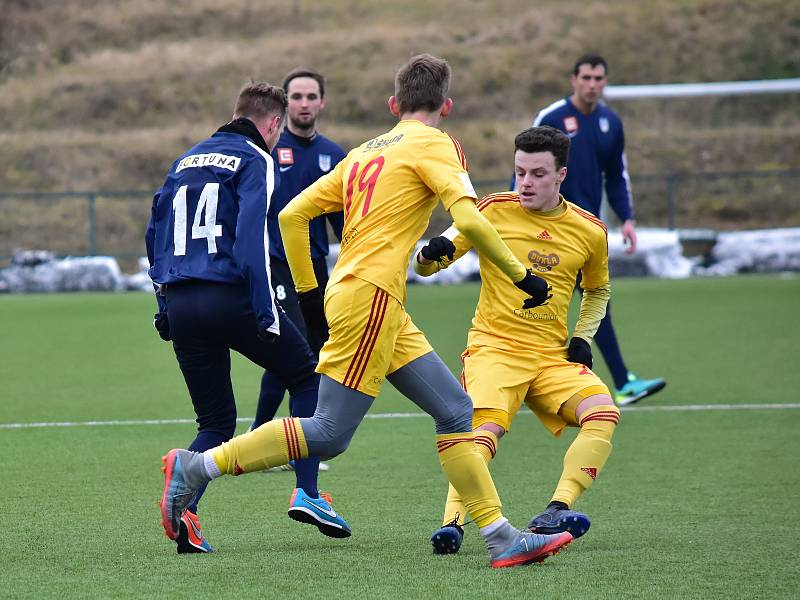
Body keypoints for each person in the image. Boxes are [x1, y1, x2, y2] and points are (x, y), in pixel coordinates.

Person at [159, 54, 573, 569]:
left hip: (371, 298)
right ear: (446, 105)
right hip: (373, 296)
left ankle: (500, 535)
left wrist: (313, 297)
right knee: (329, 433)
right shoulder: (438, 143)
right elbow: (468, 215)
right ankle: (198, 467)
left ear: (394, 104)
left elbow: (293, 215)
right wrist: (523, 276)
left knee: (455, 411)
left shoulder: (362, 152)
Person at [146, 81, 351, 554]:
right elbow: (252, 239)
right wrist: (266, 309)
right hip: (230, 296)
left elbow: (153, 230)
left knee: (216, 422)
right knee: (306, 378)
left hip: (182, 302)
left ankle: (187, 520)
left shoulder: (186, 159)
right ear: (274, 123)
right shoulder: (254, 158)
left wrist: (163, 305)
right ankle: (309, 492)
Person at [416, 125, 620, 554]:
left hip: (551, 358)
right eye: (520, 171)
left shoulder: (589, 231)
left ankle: (556, 509)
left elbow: (598, 290)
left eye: (538, 174)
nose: (525, 182)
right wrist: (430, 254)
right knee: (482, 434)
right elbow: (430, 264)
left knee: (602, 412)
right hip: (495, 349)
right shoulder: (492, 210)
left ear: (561, 175)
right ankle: (452, 524)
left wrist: (583, 336)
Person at [516, 53, 666, 406]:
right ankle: (523, 376)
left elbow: (616, 175)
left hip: (584, 231)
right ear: (574, 80)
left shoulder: (610, 123)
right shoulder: (552, 118)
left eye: (599, 78)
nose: (592, 84)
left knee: (597, 299)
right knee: (535, 299)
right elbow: (523, 171)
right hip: (544, 228)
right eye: (586, 77)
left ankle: (621, 380)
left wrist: (626, 217)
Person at [254, 68, 346, 476]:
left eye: (311, 96)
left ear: (322, 102)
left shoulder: (335, 155)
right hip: (277, 266)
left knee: (307, 353)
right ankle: (288, 444)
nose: (304, 104)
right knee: (298, 354)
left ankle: (267, 437)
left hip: (317, 271)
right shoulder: (269, 150)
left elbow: (343, 222)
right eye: (297, 97)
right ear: (285, 103)